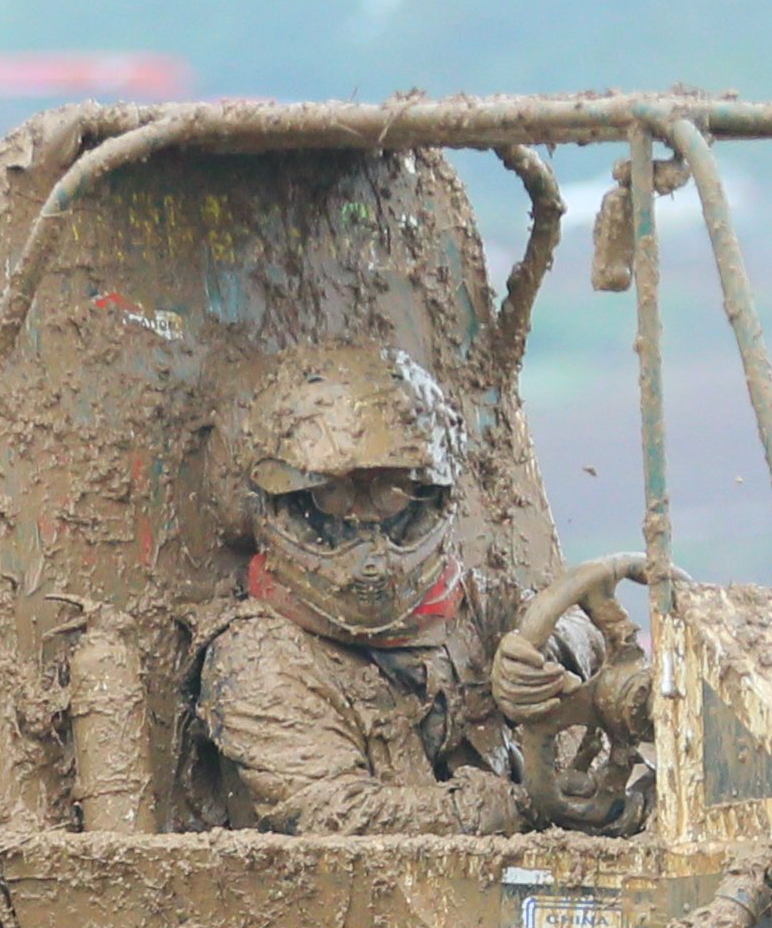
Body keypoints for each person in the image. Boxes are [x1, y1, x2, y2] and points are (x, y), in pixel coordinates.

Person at [186, 345, 534, 836]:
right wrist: (515, 808)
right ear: (278, 505)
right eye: (333, 496)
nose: (368, 540)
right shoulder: (258, 655)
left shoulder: (466, 603)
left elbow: (555, 619)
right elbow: (337, 817)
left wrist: (556, 656)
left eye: (392, 495)